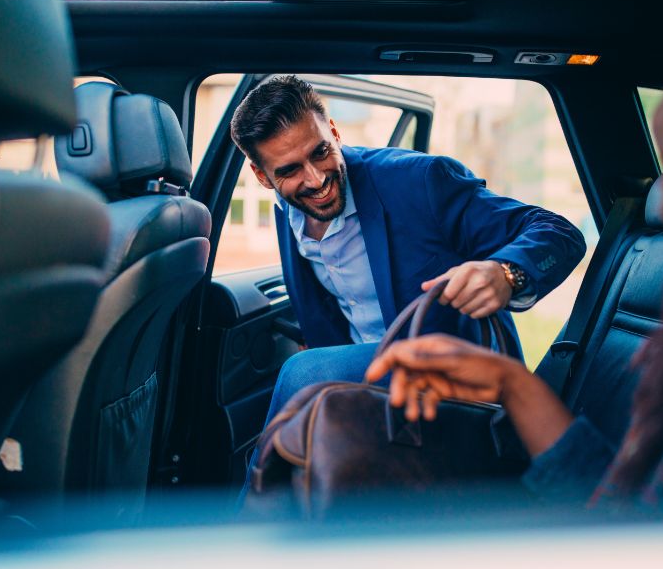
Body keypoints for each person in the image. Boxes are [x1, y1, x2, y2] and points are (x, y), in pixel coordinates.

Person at [365, 0, 663, 506]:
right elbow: (631, 512)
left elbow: (650, 542)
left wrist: (506, 271)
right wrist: (510, 384)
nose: (662, 116)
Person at [230, 76, 586, 428]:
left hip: (450, 387)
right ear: (263, 177)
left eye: (320, 152)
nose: (316, 179)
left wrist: (508, 273)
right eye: (290, 170)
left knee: (304, 374)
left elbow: (559, 233)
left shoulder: (421, 181)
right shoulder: (287, 206)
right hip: (365, 393)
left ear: (334, 133)